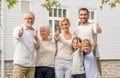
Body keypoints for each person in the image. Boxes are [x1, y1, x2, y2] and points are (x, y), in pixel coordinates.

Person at [74, 7, 102, 75]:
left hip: (94, 56)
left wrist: (98, 29)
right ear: (78, 16)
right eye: (81, 15)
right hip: (82, 57)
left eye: (85, 14)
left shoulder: (92, 26)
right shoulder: (76, 29)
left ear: (88, 15)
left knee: (97, 74)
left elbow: (97, 30)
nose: (83, 16)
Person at [13, 12, 39, 78]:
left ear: (34, 20)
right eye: (27, 18)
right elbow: (16, 35)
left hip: (31, 65)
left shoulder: (35, 31)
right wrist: (19, 34)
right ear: (24, 19)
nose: (30, 20)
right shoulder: (18, 29)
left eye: (31, 19)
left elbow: (37, 47)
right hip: (20, 64)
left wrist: (36, 39)